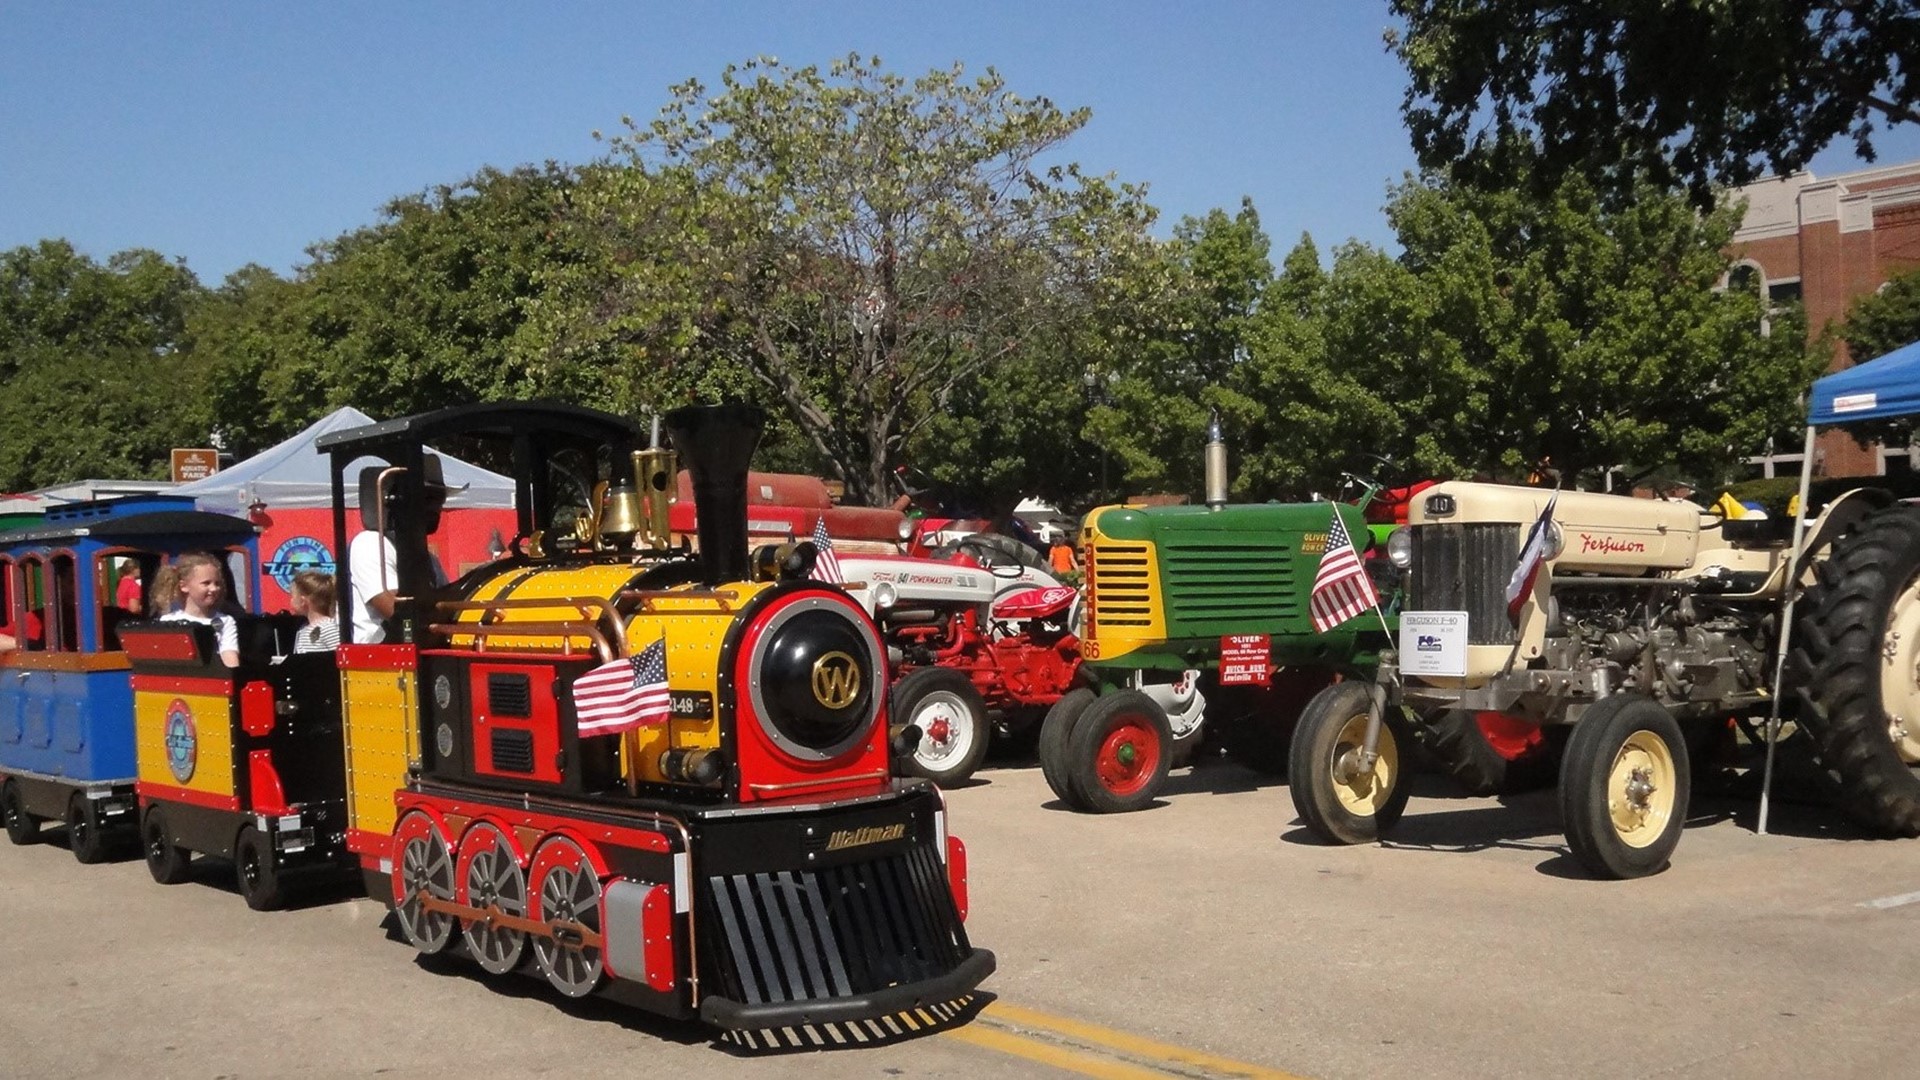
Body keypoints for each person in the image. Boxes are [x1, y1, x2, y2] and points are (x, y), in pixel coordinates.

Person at [349, 454, 455, 644]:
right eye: (427, 498)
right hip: (381, 656)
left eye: (440, 499)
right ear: (396, 502)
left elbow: (447, 603)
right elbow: (397, 612)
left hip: (425, 646)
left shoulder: (429, 557)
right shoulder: (369, 543)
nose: (437, 507)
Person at [151, 552, 239, 668]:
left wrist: (232, 674)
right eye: (206, 583)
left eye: (217, 583)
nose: (213, 588)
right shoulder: (168, 622)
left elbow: (229, 657)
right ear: (184, 586)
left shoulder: (225, 621)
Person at [288, 570, 340, 653]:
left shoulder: (329, 628)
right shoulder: (303, 629)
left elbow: (340, 657)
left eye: (292, 596)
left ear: (302, 601)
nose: (291, 600)